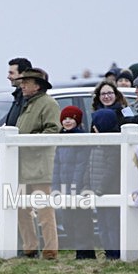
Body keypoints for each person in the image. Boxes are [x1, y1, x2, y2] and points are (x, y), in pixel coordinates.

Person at [15, 68, 61, 260]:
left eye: (27, 82)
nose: (22, 85)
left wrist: (29, 142)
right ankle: (30, 247)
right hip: (23, 165)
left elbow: (53, 131)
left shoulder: (48, 104)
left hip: (40, 165)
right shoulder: (27, 104)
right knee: (21, 208)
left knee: (44, 210)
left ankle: (50, 250)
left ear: (38, 85)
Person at [51, 105, 95, 260]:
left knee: (81, 221)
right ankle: (78, 248)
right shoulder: (61, 138)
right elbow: (56, 165)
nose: (67, 121)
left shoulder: (81, 138)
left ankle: (85, 252)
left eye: (71, 118)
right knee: (67, 221)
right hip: (63, 188)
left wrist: (74, 189)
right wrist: (55, 187)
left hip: (77, 188)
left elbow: (81, 166)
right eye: (65, 118)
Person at [86, 109, 121, 260]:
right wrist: (87, 185)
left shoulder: (113, 147)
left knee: (112, 224)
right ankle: (108, 251)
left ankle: (115, 253)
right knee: (102, 225)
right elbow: (89, 167)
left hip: (109, 191)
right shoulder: (95, 145)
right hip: (97, 191)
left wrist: (101, 187)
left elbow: (111, 169)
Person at [4, 57, 33, 127]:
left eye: (11, 73)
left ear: (23, 74)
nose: (8, 77)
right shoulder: (18, 97)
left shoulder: (29, 98)